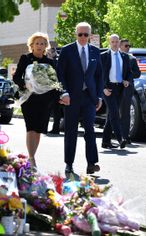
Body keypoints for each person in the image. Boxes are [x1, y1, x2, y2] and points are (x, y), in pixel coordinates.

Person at [57, 22, 104, 175]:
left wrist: (99, 96)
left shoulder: (96, 52)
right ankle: (69, 164)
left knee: (90, 129)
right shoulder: (66, 51)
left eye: (86, 34)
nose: (83, 37)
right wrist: (63, 92)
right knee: (71, 131)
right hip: (71, 97)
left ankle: (92, 163)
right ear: (75, 34)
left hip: (89, 97)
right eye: (80, 34)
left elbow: (99, 76)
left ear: (90, 35)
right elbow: (60, 74)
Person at [13, 32, 59, 168]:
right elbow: (16, 77)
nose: (39, 46)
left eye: (42, 43)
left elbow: (54, 82)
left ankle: (33, 155)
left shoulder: (49, 62)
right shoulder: (25, 58)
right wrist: (25, 84)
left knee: (39, 129)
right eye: (37, 43)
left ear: (46, 46)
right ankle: (31, 158)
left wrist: (59, 96)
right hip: (29, 99)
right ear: (31, 45)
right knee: (31, 128)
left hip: (45, 100)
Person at [101, 34, 131, 149]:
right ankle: (120, 138)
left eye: (116, 41)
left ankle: (105, 141)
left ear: (119, 43)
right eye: (112, 41)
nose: (114, 43)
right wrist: (103, 88)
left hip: (119, 88)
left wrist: (126, 80)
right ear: (109, 42)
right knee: (114, 113)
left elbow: (128, 72)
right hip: (108, 88)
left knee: (111, 115)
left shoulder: (124, 56)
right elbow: (98, 75)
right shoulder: (103, 56)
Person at [119, 39, 141, 144]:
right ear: (120, 46)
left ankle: (125, 136)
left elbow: (137, 73)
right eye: (126, 45)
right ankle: (111, 136)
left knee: (126, 113)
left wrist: (128, 77)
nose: (128, 47)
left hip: (127, 89)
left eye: (129, 45)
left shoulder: (132, 59)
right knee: (113, 112)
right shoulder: (114, 57)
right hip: (115, 88)